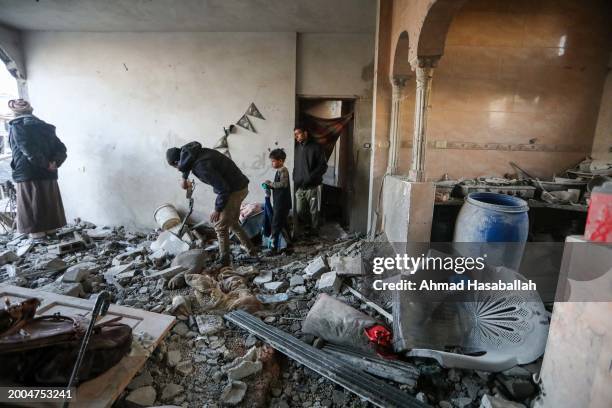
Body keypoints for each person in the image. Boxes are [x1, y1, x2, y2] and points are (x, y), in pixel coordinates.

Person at [166, 141, 256, 266]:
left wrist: (217, 209)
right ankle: (252, 252)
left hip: (234, 190)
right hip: (239, 185)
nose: (178, 169)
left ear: (177, 162)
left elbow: (223, 189)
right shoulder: (191, 153)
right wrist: (184, 178)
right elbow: (184, 165)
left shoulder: (201, 167)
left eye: (175, 167)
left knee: (219, 225)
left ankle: (224, 261)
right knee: (232, 223)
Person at [7, 99, 67, 240]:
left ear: (14, 113)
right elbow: (62, 148)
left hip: (28, 172)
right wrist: (53, 163)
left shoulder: (17, 126)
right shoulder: (45, 126)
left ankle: (37, 233)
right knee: (47, 199)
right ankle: (51, 229)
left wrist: (45, 163)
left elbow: (27, 149)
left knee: (32, 202)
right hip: (49, 171)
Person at [292, 126, 327, 236]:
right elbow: (296, 166)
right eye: (295, 134)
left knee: (314, 211)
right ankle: (311, 225)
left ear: (305, 133)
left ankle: (315, 231)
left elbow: (323, 166)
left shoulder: (316, 147)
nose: (296, 136)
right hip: (300, 186)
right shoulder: (297, 148)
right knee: (300, 210)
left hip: (312, 186)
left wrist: (310, 177)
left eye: (298, 133)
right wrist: (295, 177)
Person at [263, 148, 291, 253]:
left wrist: (271, 184)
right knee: (283, 224)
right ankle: (289, 244)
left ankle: (274, 248)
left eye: (273, 161)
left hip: (282, 203)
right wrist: (270, 185)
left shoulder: (283, 170)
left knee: (275, 224)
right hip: (280, 202)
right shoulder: (278, 172)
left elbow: (283, 184)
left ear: (281, 161)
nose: (272, 163)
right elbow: (278, 186)